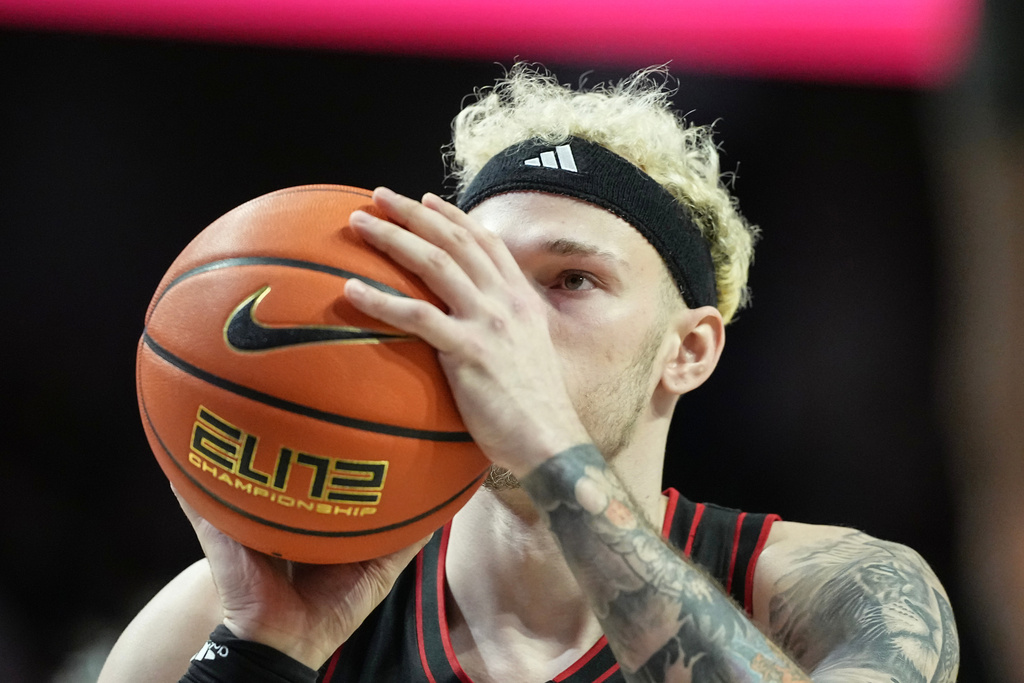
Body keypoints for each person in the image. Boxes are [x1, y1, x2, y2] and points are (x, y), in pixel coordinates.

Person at [98, 64, 959, 683]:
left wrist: (547, 437)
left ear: (688, 349)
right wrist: (263, 657)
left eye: (570, 280)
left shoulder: (837, 589)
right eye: (482, 276)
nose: (499, 320)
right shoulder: (230, 614)